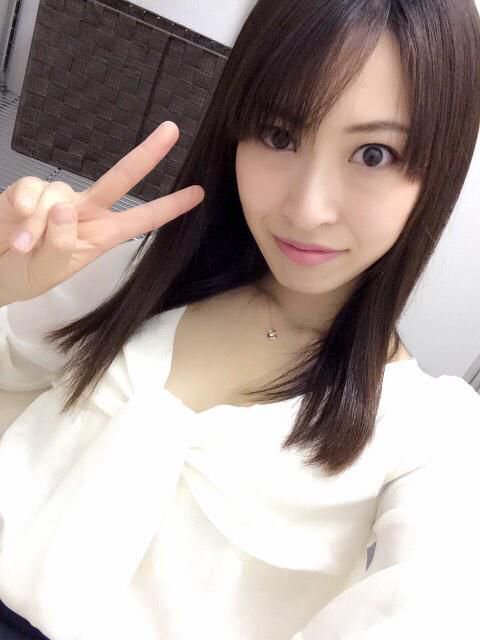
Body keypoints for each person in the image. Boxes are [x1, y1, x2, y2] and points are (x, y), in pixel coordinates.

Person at [1, 0, 480, 638]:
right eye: (279, 135)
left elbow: (432, 602)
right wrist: (6, 283)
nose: (306, 209)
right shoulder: (139, 272)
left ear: (438, 168)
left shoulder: (433, 431)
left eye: (373, 154)